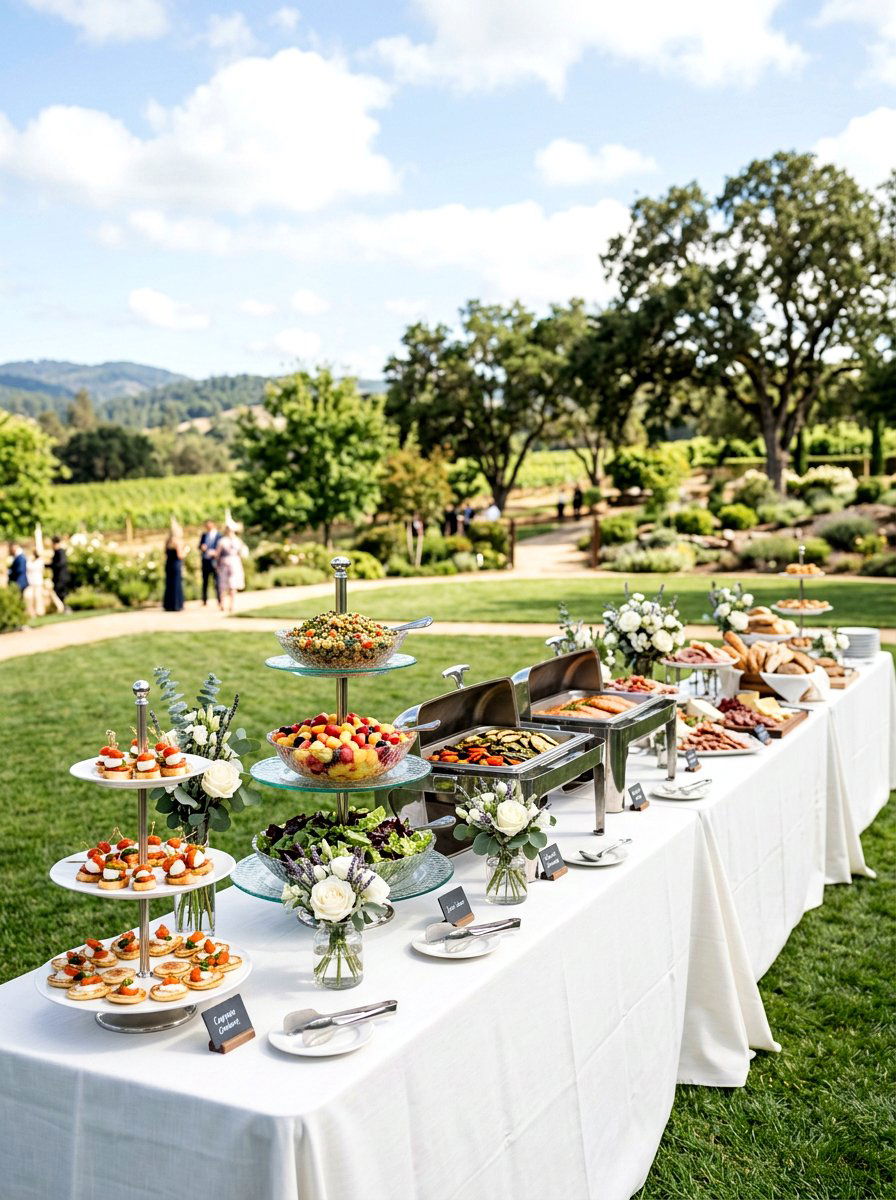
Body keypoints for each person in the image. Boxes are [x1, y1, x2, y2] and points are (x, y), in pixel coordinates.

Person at [215, 522, 246, 613]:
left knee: (231, 584)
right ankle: (224, 604)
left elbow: (241, 553)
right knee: (225, 585)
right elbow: (218, 554)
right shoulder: (224, 541)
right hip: (228, 563)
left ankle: (229, 605)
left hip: (233, 563)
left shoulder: (236, 541)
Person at [163, 522, 187, 612]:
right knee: (177, 584)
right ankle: (177, 605)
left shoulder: (167, 541)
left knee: (169, 584)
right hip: (176, 565)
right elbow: (180, 555)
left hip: (169, 564)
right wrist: (186, 551)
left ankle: (168, 605)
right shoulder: (177, 542)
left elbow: (165, 553)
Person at [199, 520, 220, 606]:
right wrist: (202, 547)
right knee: (205, 582)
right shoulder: (204, 535)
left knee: (217, 581)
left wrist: (215, 552)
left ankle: (219, 600)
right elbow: (199, 546)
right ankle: (204, 600)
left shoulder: (219, 535)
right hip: (205, 561)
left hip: (215, 560)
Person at [24, 550, 47, 619]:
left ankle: (40, 612)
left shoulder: (39, 561)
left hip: (37, 583)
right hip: (31, 583)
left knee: (38, 598)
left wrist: (29, 560)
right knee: (30, 598)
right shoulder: (31, 562)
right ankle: (32, 613)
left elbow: (31, 567)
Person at [50, 536, 70, 610]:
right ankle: (64, 607)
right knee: (58, 592)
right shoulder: (57, 552)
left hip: (61, 577)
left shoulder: (60, 552)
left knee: (61, 592)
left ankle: (66, 607)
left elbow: (61, 563)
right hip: (58, 577)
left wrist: (52, 565)